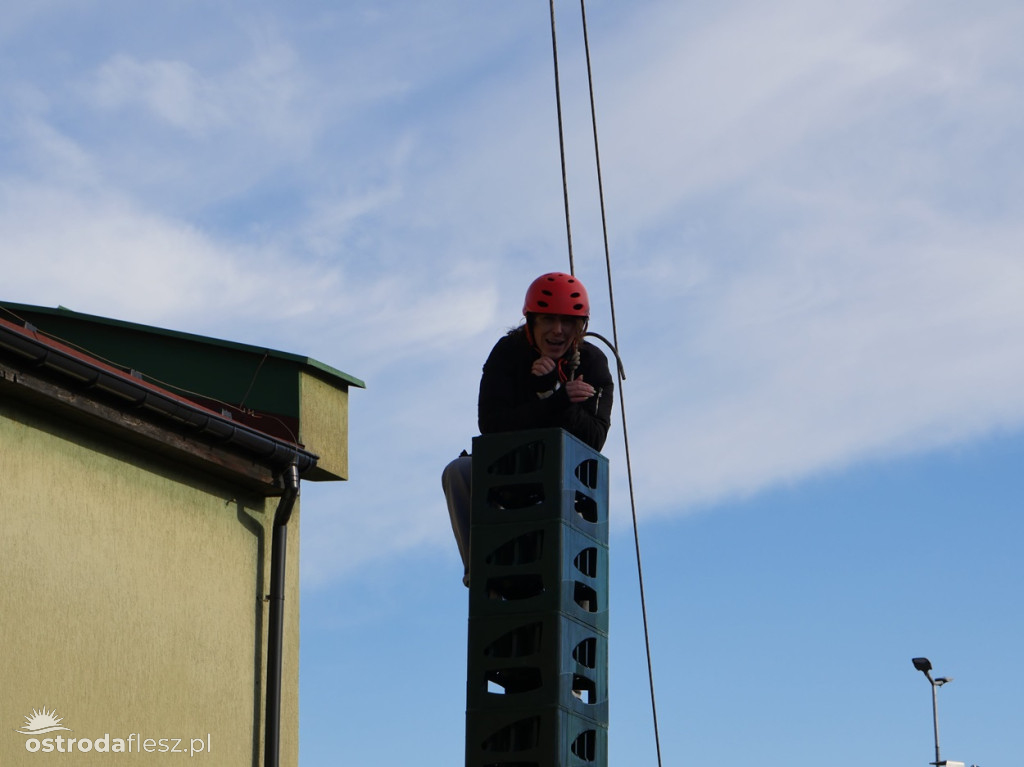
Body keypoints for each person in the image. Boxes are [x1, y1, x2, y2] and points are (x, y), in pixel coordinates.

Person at [442, 271, 614, 585]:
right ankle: (479, 570)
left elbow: (593, 439)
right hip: (510, 467)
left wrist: (554, 396)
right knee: (459, 472)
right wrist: (555, 401)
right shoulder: (508, 353)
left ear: (581, 327)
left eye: (567, 322)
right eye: (548, 319)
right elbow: (492, 425)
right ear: (531, 322)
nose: (558, 331)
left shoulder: (592, 363)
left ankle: (575, 581)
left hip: (564, 478)